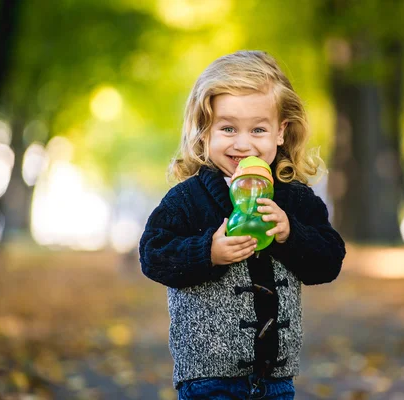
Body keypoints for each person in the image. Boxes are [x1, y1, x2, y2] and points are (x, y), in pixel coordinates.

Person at [139, 50, 346, 400]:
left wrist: (289, 233)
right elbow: (152, 255)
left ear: (281, 132)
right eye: (228, 128)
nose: (243, 143)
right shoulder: (187, 200)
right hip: (207, 380)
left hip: (276, 379)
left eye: (258, 129)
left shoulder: (295, 200)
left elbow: (329, 260)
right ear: (205, 131)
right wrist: (207, 252)